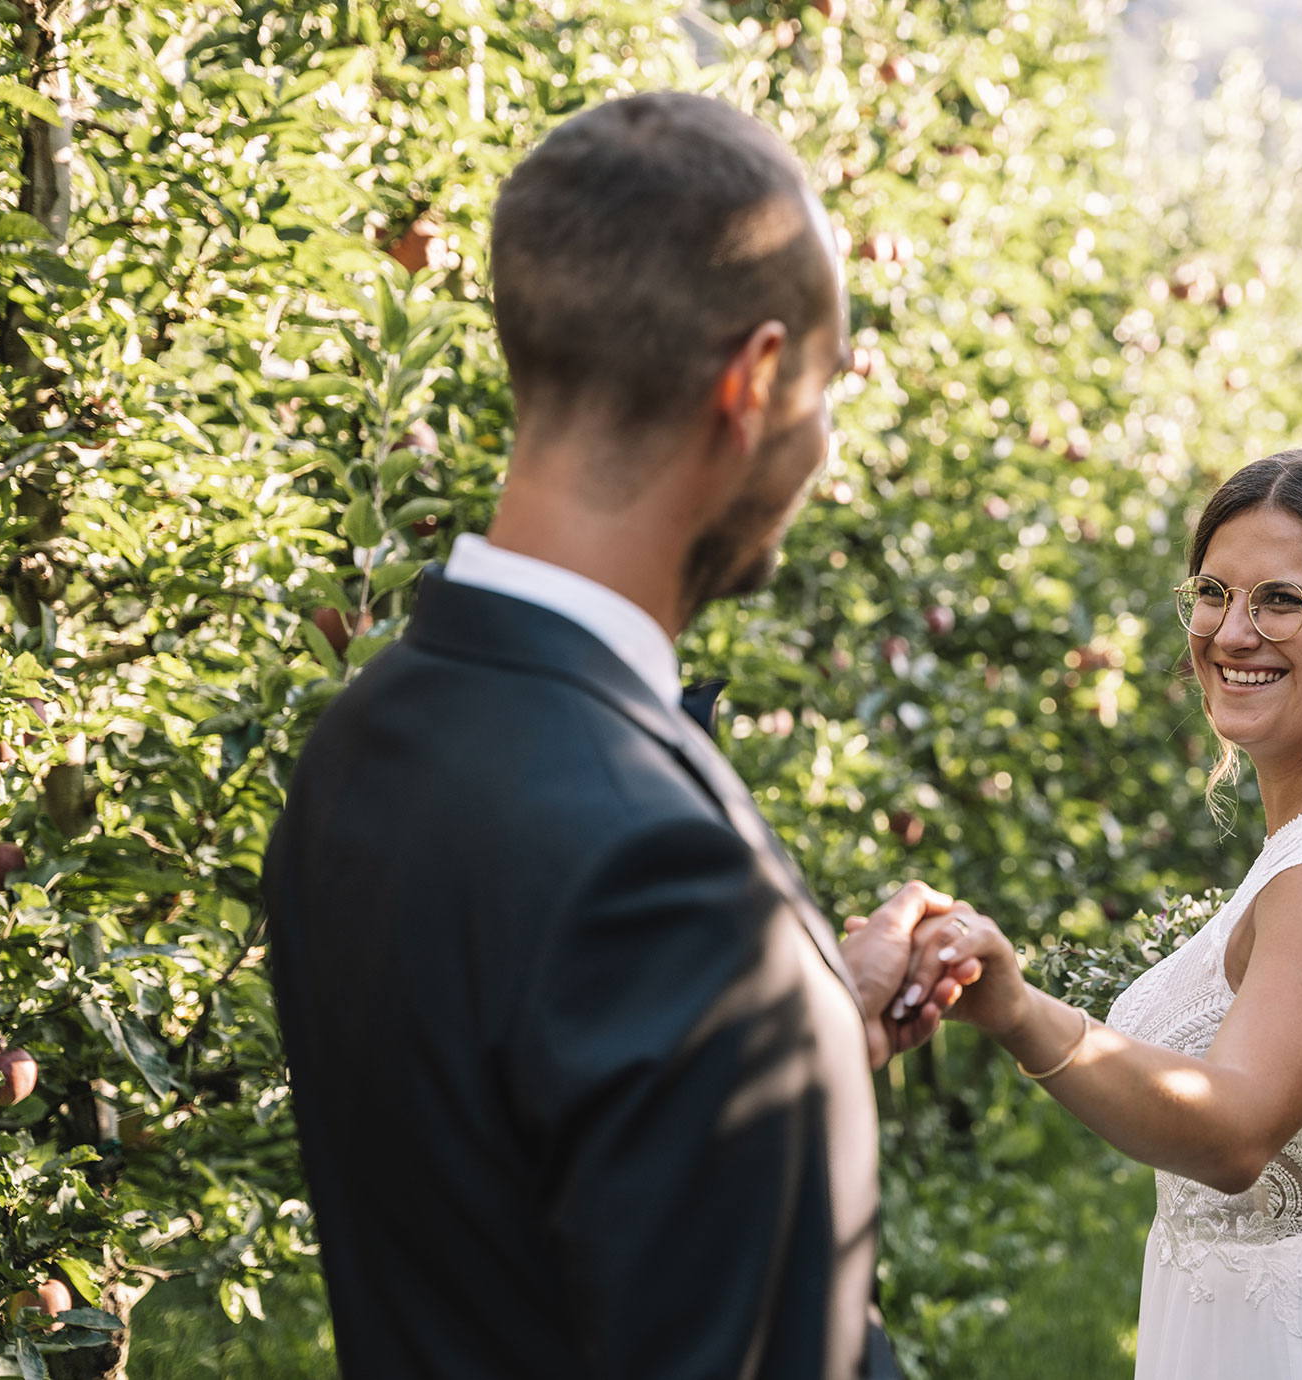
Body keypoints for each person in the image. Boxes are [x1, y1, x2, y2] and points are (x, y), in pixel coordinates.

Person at [263, 93, 967, 1380]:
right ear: (752, 383)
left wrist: (807, 1020)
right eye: (830, 388)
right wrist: (753, 994)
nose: (824, 444)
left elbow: (514, 1157)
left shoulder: (366, 735)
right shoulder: (665, 885)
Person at [913, 444, 1302, 1378]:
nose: (1231, 632)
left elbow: (1233, 1133)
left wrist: (1018, 1011)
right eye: (1213, 592)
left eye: (1281, 600)